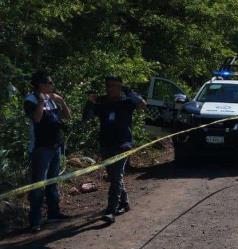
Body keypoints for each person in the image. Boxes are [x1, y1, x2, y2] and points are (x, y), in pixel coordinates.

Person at [84, 76, 146, 223]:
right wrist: (90, 102)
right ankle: (124, 203)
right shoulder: (102, 102)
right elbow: (86, 117)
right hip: (106, 144)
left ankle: (111, 211)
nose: (112, 89)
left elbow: (143, 105)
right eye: (110, 86)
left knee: (116, 178)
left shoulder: (127, 102)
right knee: (114, 177)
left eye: (116, 86)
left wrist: (129, 91)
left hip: (123, 145)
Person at [24, 70, 72, 232]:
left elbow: (67, 116)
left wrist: (62, 101)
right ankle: (35, 220)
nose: (52, 86)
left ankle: (53, 213)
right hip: (41, 148)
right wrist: (41, 102)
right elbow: (36, 119)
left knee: (53, 182)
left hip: (55, 146)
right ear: (41, 85)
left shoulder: (52, 100)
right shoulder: (31, 100)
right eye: (49, 83)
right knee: (39, 185)